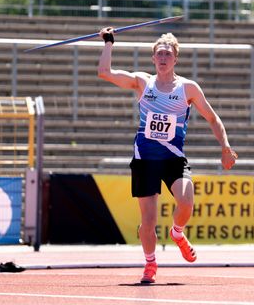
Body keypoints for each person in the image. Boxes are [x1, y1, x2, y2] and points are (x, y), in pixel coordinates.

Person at [97, 27, 237, 284]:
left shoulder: (188, 88)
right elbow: (104, 72)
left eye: (168, 54)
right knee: (148, 221)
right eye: (159, 54)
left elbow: (213, 118)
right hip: (145, 160)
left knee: (186, 201)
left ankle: (177, 233)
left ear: (175, 59)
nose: (163, 58)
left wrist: (225, 147)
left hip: (173, 158)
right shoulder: (142, 82)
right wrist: (108, 43)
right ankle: (150, 264)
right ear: (153, 58)